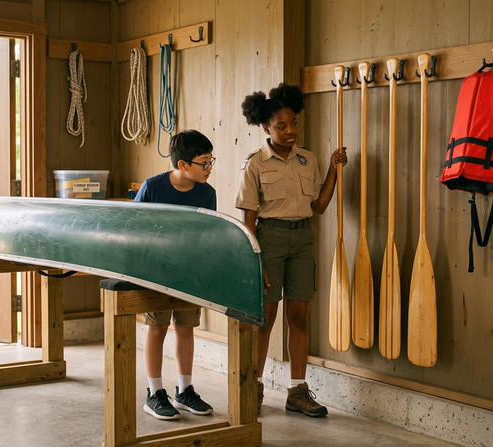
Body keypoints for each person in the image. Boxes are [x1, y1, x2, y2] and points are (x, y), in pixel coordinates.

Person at [236, 83, 347, 417]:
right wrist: (256, 260)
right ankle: (252, 387)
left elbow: (320, 205)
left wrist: (332, 169)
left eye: (293, 124)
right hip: (268, 240)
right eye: (281, 126)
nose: (289, 131)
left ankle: (297, 390)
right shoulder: (254, 163)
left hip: (302, 241)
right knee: (265, 320)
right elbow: (248, 219)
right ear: (266, 128)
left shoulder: (307, 159)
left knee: (299, 317)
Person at [134, 129, 217, 420]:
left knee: (186, 328)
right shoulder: (153, 187)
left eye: (210, 161)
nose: (209, 168)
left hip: (189, 274)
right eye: (204, 162)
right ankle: (154, 393)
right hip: (157, 272)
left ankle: (184, 391)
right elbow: (134, 228)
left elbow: (206, 236)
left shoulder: (207, 193)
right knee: (157, 328)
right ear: (183, 165)